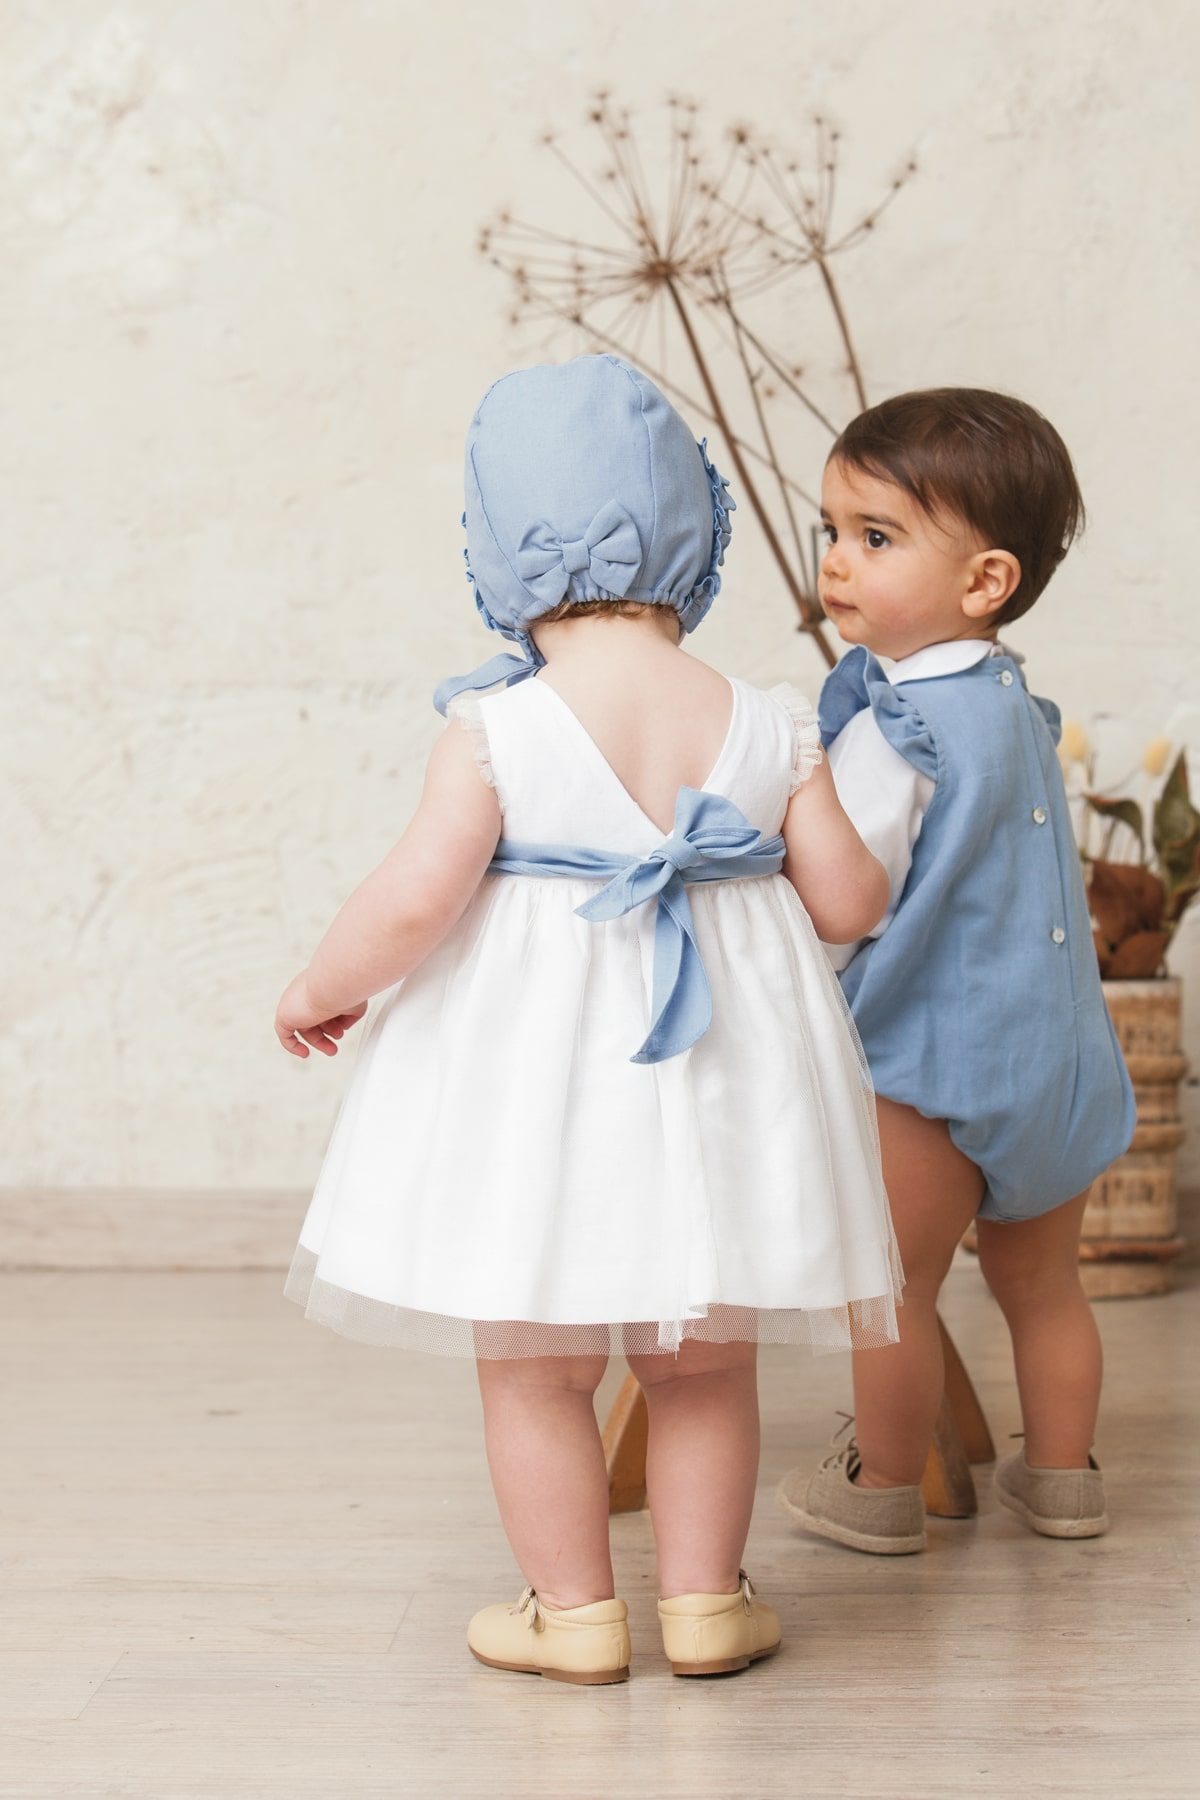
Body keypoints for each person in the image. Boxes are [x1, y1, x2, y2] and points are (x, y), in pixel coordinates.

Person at [274, 355, 902, 1683]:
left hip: (540, 1094)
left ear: (497, 545)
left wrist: (320, 986)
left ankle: (572, 1614)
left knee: (536, 1371)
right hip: (723, 1086)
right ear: (694, 530)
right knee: (702, 1369)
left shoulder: (498, 726)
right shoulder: (769, 719)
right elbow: (848, 905)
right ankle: (706, 1606)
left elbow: (410, 903)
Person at [778, 388, 1135, 1554]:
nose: (835, 563)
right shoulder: (1018, 709)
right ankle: (1066, 1480)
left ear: (984, 580)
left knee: (893, 1291)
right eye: (832, 529)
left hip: (932, 1065)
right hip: (1061, 1064)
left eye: (873, 539)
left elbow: (849, 897)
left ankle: (880, 1488)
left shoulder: (895, 731)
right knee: (1044, 1291)